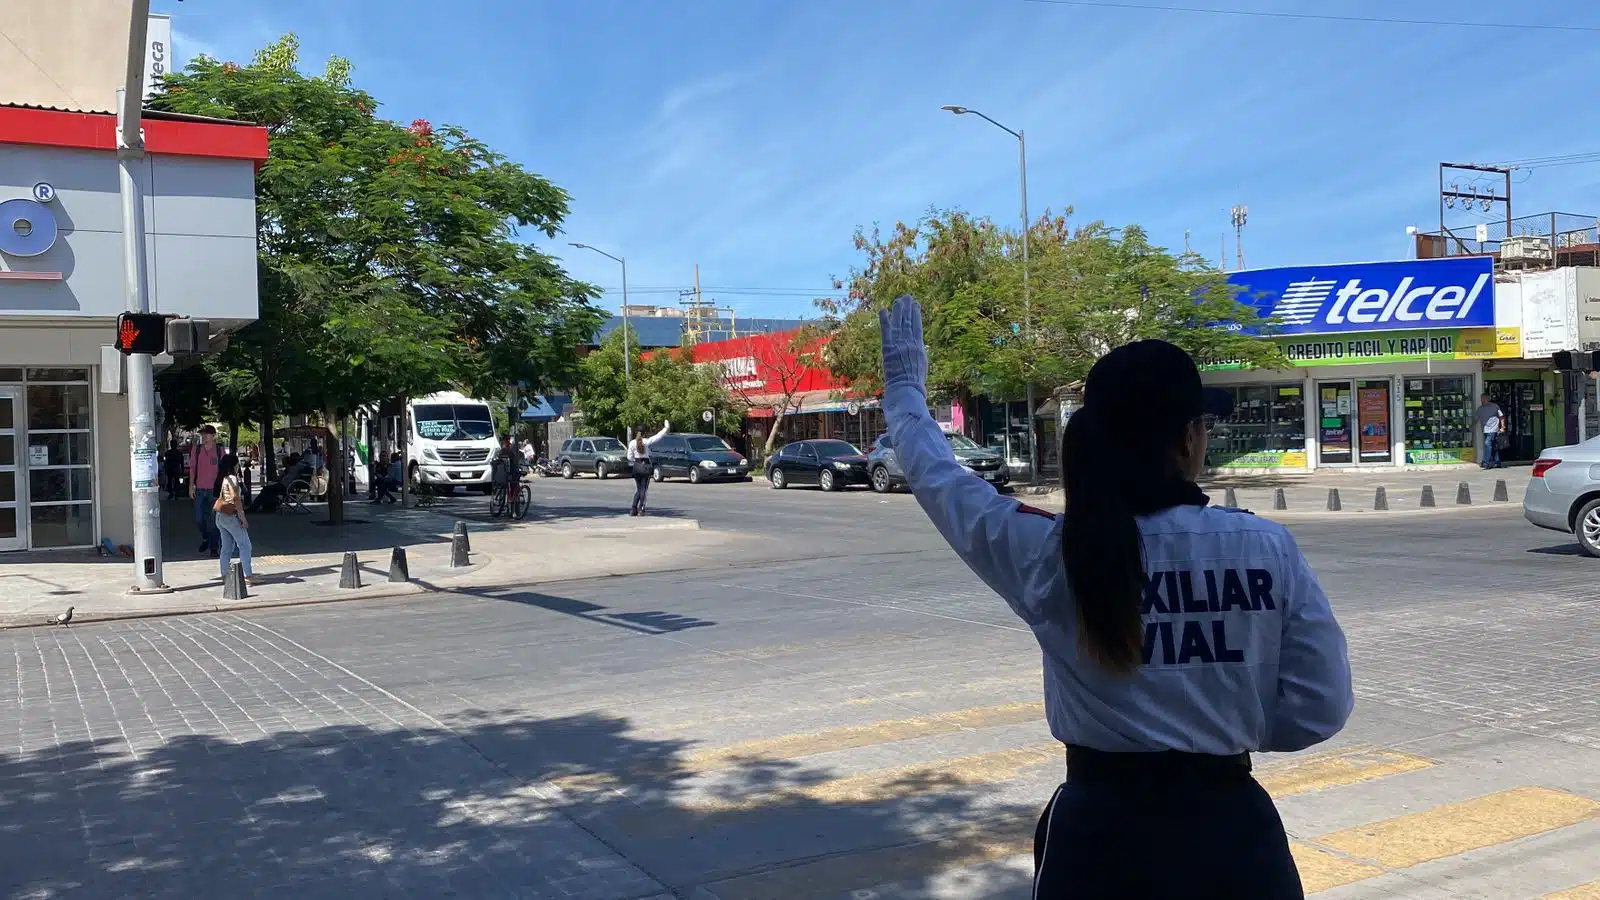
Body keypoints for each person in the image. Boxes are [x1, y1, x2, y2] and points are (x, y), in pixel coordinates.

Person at [877, 296, 1352, 899]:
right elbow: (1321, 707)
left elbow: (944, 483)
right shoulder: (1265, 548)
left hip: (1096, 842)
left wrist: (904, 393)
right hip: (1232, 841)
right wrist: (1221, 729)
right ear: (1187, 440)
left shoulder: (1048, 552)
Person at [212, 453, 254, 587]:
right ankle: (247, 575)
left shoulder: (223, 478)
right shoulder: (232, 479)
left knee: (226, 547)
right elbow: (236, 500)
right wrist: (243, 518)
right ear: (234, 465)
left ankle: (225, 575)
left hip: (220, 517)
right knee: (245, 545)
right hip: (231, 517)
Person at [188, 426, 225, 557]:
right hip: (199, 489)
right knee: (199, 519)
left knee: (215, 520)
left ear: (213, 436)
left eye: (207, 435)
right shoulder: (197, 450)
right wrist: (191, 485)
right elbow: (192, 469)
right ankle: (206, 537)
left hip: (215, 491)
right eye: (203, 435)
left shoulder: (220, 451)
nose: (204, 437)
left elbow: (224, 470)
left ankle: (214, 548)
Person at [627, 421, 671, 516]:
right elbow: (658, 437)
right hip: (645, 466)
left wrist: (635, 459)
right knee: (643, 490)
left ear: (636, 432)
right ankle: (641, 509)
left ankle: (633, 509)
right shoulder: (646, 442)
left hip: (636, 466)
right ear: (644, 433)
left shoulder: (631, 443)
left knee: (639, 489)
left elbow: (629, 457)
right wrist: (666, 428)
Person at [1476, 394, 1506, 469]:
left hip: (1493, 429)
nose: (1482, 400)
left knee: (1487, 444)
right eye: (1481, 399)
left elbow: (1501, 417)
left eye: (1484, 399)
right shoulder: (1480, 409)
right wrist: (1470, 426)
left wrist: (1502, 427)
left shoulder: (1495, 406)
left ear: (1488, 399)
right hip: (1485, 430)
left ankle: (1486, 463)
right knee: (1493, 446)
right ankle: (1497, 461)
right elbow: (1476, 419)